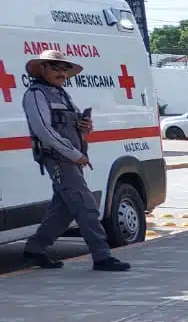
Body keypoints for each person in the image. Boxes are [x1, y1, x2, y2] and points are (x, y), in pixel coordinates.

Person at [20, 50, 131, 272]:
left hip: (72, 160)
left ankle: (35, 248)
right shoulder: (35, 94)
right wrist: (74, 154)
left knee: (64, 209)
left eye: (64, 69)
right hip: (60, 160)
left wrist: (85, 127)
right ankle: (102, 256)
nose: (61, 73)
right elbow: (44, 131)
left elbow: (73, 126)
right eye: (55, 67)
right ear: (43, 69)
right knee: (86, 205)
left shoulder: (62, 94)